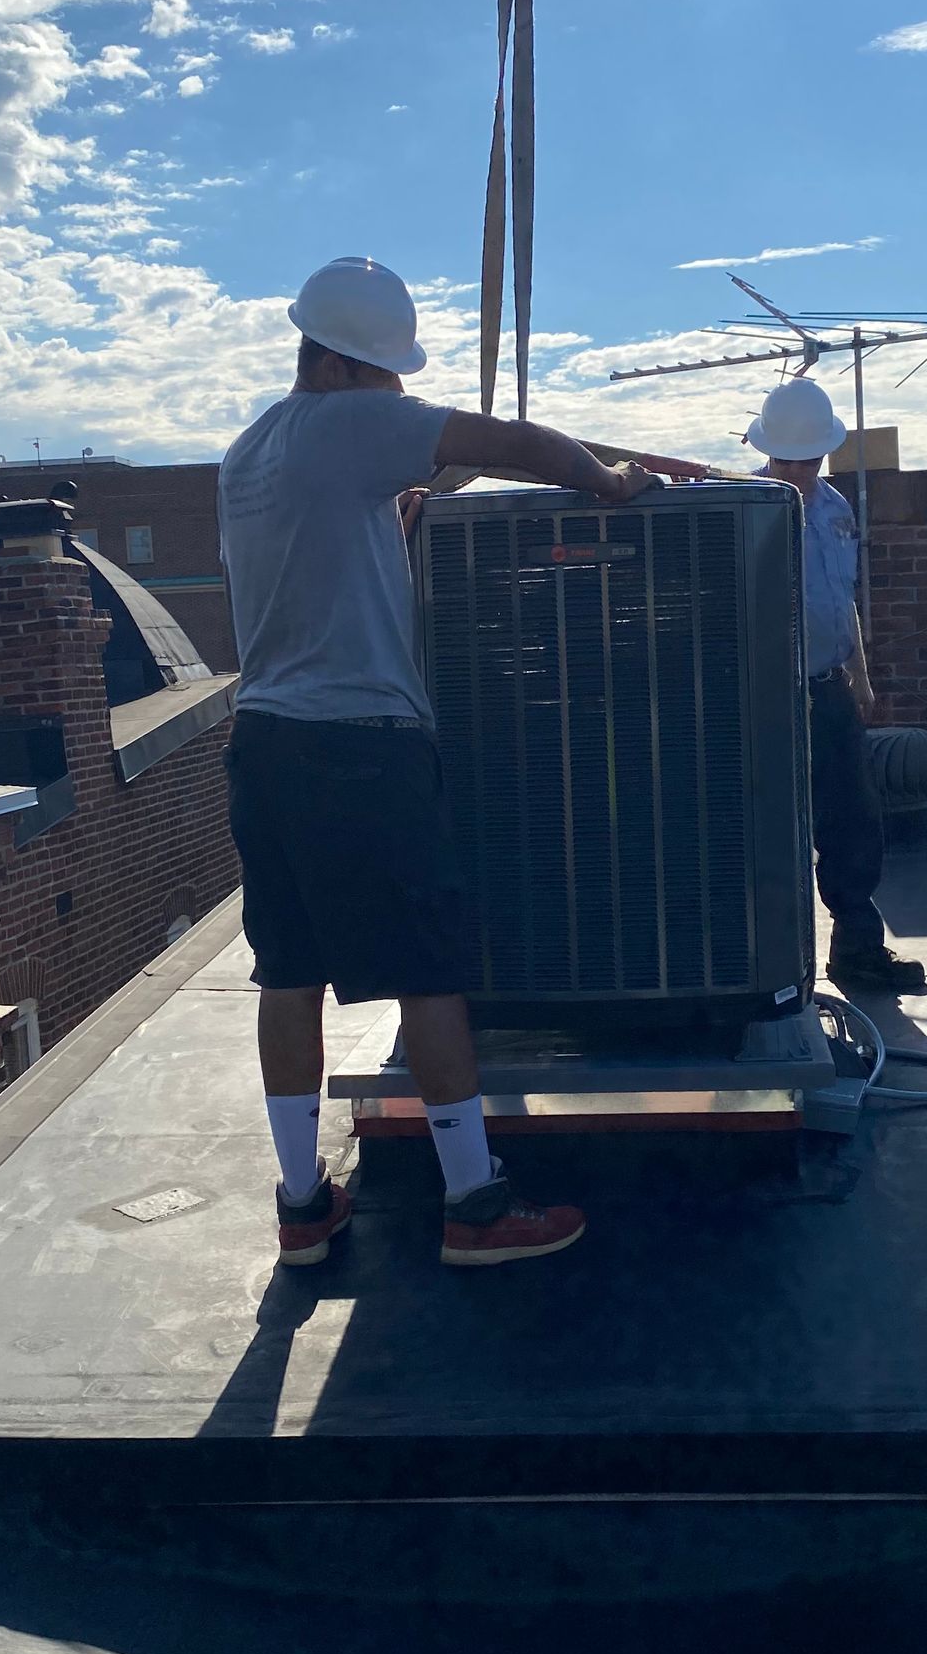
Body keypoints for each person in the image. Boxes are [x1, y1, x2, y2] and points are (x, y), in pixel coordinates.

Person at [218, 256, 661, 1271]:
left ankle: (302, 1204)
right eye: (390, 379)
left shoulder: (249, 451)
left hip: (265, 743)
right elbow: (509, 443)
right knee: (430, 971)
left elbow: (325, 553)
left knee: (288, 974)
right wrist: (606, 478)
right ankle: (475, 1204)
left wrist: (397, 515)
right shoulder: (352, 423)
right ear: (341, 366)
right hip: (361, 749)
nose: (399, 398)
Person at [746, 373, 927, 1001]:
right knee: (772, 829)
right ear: (769, 452)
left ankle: (857, 951)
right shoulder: (748, 512)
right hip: (766, 699)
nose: (802, 468)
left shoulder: (834, 508)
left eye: (811, 457)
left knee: (851, 819)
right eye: (792, 458)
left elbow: (841, 598)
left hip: (826, 688)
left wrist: (859, 673)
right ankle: (771, 965)